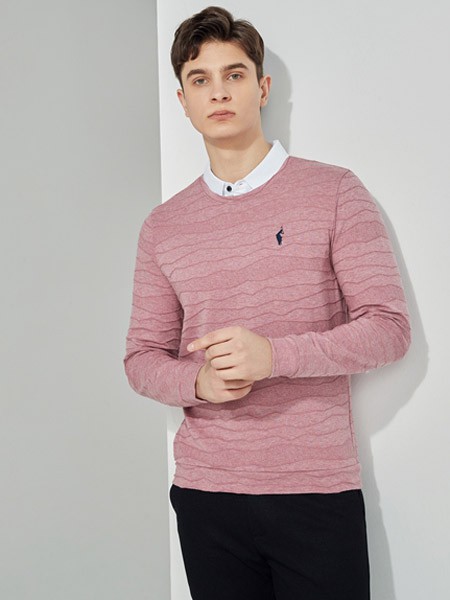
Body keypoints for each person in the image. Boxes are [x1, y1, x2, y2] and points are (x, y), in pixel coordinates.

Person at [123, 6, 411, 600]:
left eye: (234, 74)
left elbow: (388, 328)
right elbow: (141, 359)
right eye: (200, 79)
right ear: (182, 101)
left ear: (262, 87)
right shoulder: (163, 226)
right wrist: (199, 383)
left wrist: (273, 356)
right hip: (207, 495)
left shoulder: (334, 191)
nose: (218, 92)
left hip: (315, 491)